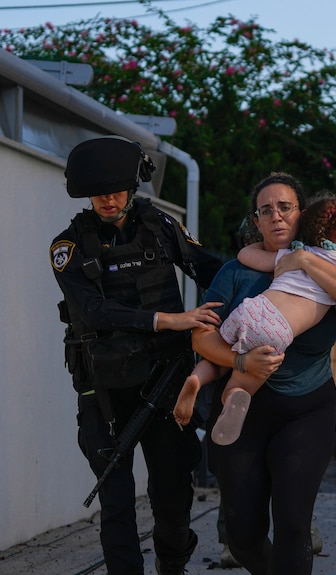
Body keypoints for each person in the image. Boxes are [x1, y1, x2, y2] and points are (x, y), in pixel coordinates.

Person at [49, 136, 225, 575]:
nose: (108, 199)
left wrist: (271, 278)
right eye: (99, 191)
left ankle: (172, 564)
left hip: (166, 382)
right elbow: (92, 310)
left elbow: (208, 269)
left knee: (172, 497)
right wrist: (170, 320)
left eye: (117, 189)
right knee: (116, 499)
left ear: (133, 186)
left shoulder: (160, 227)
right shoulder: (67, 247)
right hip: (104, 389)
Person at [190, 173, 336, 574]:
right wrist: (241, 363)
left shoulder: (328, 263)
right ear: (255, 221)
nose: (276, 217)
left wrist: (305, 258)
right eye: (265, 210)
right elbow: (202, 338)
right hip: (244, 411)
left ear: (303, 214)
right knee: (243, 537)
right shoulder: (235, 272)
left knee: (294, 522)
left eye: (285, 207)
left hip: (307, 410)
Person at [172, 194, 336, 446]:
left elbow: (246, 255)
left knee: (219, 355)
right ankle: (235, 396)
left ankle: (196, 379)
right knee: (243, 381)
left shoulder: (296, 253)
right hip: (277, 330)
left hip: (252, 309)